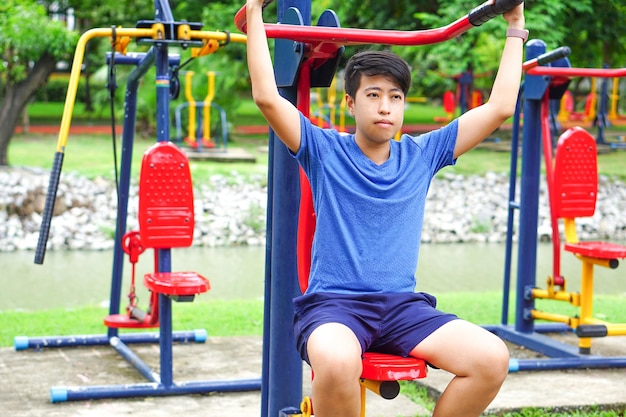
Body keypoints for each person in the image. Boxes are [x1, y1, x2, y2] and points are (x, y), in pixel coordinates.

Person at [245, 1, 525, 416]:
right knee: (338, 363)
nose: (385, 107)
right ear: (350, 104)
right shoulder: (324, 149)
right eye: (373, 95)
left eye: (395, 97)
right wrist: (253, 12)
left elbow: (500, 107)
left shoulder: (423, 154)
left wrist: (515, 25)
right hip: (334, 306)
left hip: (401, 308)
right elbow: (267, 98)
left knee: (491, 358)